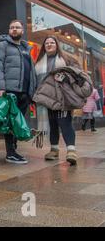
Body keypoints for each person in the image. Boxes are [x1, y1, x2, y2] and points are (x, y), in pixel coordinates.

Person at [0, 19, 37, 164]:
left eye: (17, 27)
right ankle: (10, 153)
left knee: (18, 122)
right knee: (11, 123)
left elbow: (31, 72)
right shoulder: (2, 45)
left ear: (22, 30)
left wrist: (32, 92)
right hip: (10, 91)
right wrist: (0, 87)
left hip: (25, 92)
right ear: (9, 31)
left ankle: (13, 147)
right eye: (12, 28)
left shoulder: (25, 49)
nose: (14, 30)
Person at [34, 35, 82, 165]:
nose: (49, 45)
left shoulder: (66, 59)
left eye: (52, 43)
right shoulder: (38, 63)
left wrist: (66, 77)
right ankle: (54, 150)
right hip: (46, 99)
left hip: (62, 98)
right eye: (47, 43)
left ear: (57, 45)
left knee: (64, 122)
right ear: (44, 46)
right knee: (52, 124)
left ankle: (71, 150)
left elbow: (78, 74)